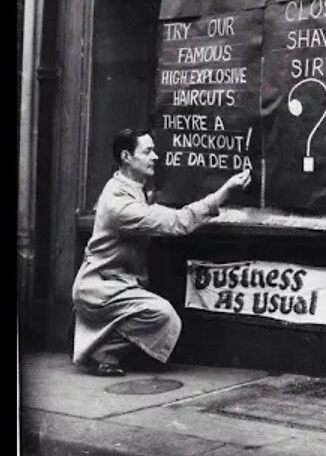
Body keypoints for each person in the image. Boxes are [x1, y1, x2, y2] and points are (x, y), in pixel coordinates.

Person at [71, 127, 251, 376]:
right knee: (164, 316)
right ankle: (103, 350)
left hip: (115, 284)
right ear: (126, 157)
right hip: (101, 289)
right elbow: (178, 222)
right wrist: (224, 193)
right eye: (148, 151)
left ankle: (102, 348)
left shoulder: (130, 187)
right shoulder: (120, 204)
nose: (155, 156)